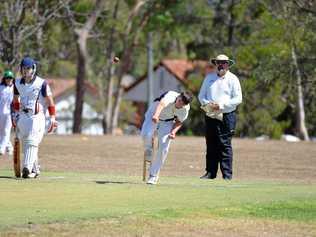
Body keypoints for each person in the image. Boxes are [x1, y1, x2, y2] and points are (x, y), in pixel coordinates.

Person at [198, 54, 242, 180]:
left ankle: (227, 175)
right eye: (218, 62)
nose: (221, 65)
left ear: (228, 65)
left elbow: (238, 99)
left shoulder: (233, 79)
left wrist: (221, 105)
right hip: (211, 114)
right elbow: (201, 96)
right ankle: (210, 173)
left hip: (227, 115)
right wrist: (208, 104)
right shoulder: (209, 78)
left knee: (224, 145)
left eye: (224, 62)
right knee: (211, 144)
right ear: (215, 64)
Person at [12, 57, 58, 178]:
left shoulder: (42, 83)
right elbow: (16, 99)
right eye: (24, 68)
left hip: (38, 117)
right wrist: (15, 113)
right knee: (27, 142)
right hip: (23, 115)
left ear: (33, 69)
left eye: (28, 68)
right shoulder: (17, 83)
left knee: (32, 140)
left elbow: (50, 101)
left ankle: (26, 167)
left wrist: (52, 117)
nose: (26, 71)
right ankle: (35, 169)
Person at [141, 91, 193, 185]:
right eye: (179, 100)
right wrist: (156, 115)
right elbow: (161, 104)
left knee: (164, 147)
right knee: (146, 135)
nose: (179, 104)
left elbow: (179, 121)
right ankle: (149, 149)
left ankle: (153, 175)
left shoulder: (185, 109)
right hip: (153, 114)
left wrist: (173, 132)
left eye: (182, 104)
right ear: (178, 97)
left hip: (167, 121)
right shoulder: (170, 96)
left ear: (185, 105)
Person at [0, 70, 15, 156]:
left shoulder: (15, 88)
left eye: (10, 78)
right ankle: (9, 147)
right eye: (7, 78)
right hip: (0, 112)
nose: (9, 80)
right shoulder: (0, 87)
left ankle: (1, 149)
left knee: (6, 131)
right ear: (4, 79)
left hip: (9, 113)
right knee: (1, 132)